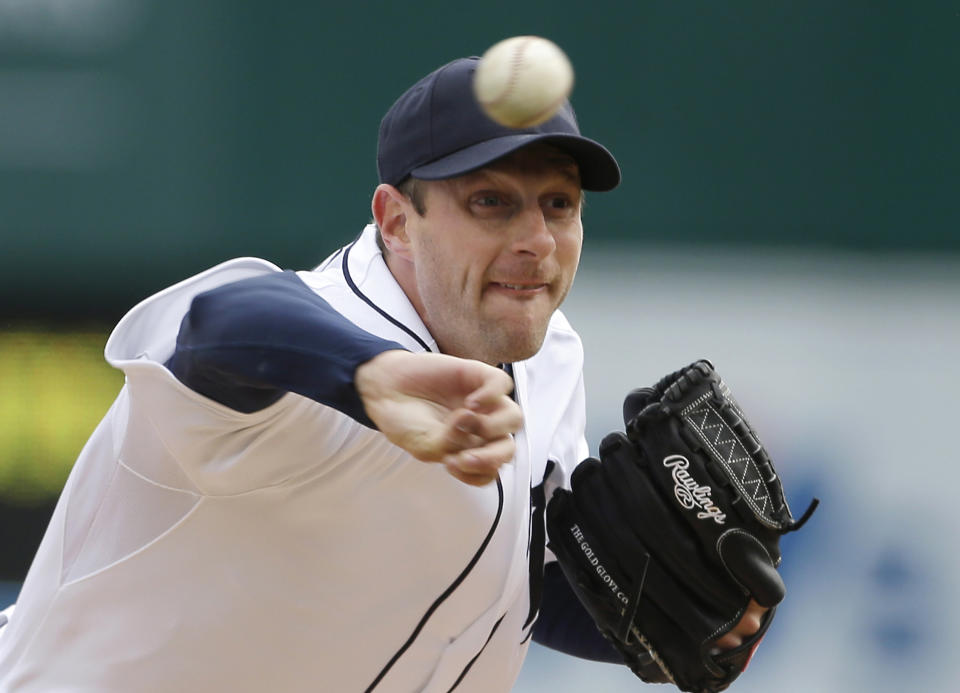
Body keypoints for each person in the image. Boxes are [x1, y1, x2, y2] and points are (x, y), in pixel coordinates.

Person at [0, 56, 765, 691]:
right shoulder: (318, 341)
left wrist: (661, 618)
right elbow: (218, 326)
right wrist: (366, 374)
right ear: (397, 220)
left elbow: (496, 584)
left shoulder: (546, 353)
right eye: (491, 202)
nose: (537, 238)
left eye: (558, 204)